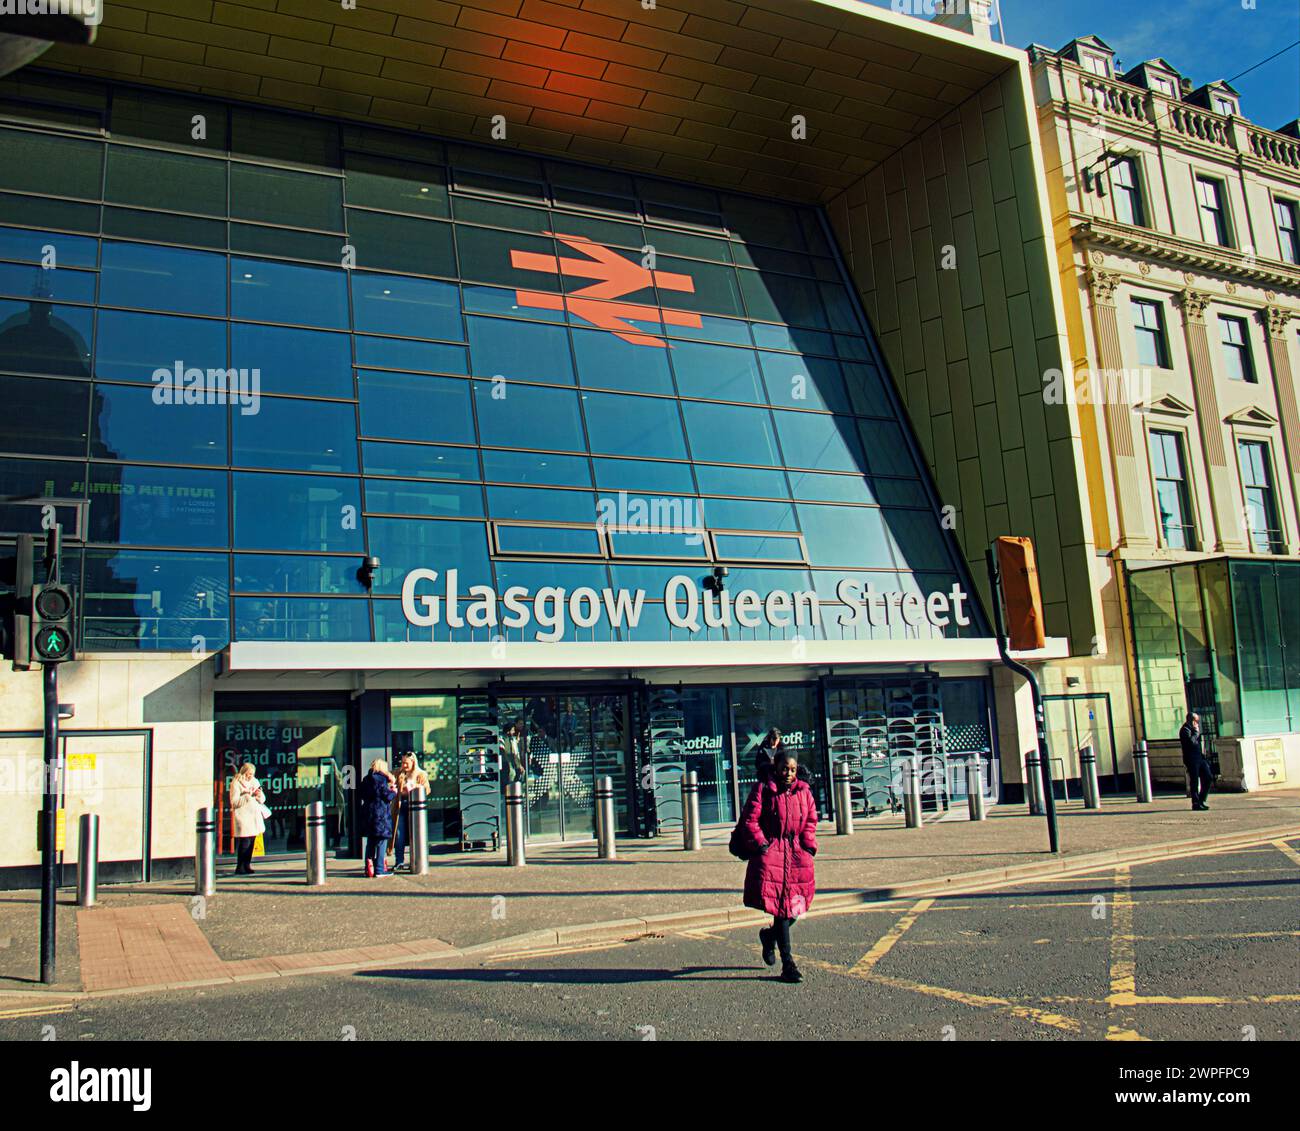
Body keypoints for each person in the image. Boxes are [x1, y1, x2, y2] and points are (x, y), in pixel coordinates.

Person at [740, 747, 818, 984]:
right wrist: (762, 844)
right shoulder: (764, 789)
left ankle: (769, 937)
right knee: (782, 910)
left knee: (797, 906)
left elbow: (811, 819)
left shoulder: (804, 792)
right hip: (773, 854)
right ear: (776, 767)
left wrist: (808, 844)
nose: (788, 773)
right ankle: (788, 963)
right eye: (785, 768)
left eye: (793, 769)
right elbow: (749, 819)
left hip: (796, 855)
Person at [359, 759, 398, 877]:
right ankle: (380, 870)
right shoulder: (381, 779)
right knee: (382, 841)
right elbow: (386, 796)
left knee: (370, 842)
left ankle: (368, 868)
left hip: (369, 815)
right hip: (380, 815)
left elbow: (362, 794)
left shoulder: (366, 779)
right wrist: (394, 791)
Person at [392, 753, 431, 872]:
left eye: (406, 763)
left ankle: (417, 861)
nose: (404, 765)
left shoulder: (421, 774)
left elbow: (427, 790)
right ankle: (399, 861)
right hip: (401, 805)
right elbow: (390, 781)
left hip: (416, 806)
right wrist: (398, 789)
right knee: (399, 834)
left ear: (413, 762)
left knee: (417, 834)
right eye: (402, 762)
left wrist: (416, 787)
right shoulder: (398, 773)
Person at [228, 762, 266, 875]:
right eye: (249, 774)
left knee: (252, 842)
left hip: (254, 815)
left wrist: (259, 795)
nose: (251, 776)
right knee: (245, 841)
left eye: (252, 774)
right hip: (243, 816)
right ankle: (240, 866)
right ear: (244, 772)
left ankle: (247, 865)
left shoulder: (255, 781)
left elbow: (263, 798)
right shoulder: (236, 783)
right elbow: (234, 802)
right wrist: (247, 795)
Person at [1179, 711, 1214, 811]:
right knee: (1194, 781)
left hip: (1199, 757)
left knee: (1208, 777)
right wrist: (1196, 733)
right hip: (1191, 759)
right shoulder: (1185, 730)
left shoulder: (1193, 729)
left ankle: (1201, 799)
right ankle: (1195, 803)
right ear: (1191, 720)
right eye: (1196, 720)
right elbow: (1191, 742)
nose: (1198, 722)